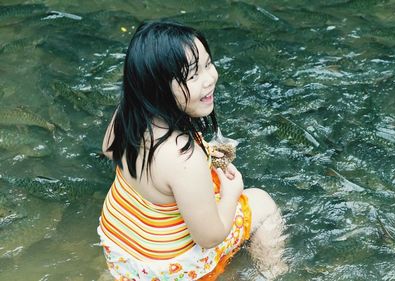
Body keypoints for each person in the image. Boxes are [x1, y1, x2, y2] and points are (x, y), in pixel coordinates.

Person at [97, 19, 287, 280]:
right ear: (159, 88)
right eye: (192, 75)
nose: (209, 79)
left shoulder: (130, 113)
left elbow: (109, 149)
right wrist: (232, 192)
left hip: (122, 253)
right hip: (169, 269)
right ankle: (273, 272)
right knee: (262, 203)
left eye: (208, 64)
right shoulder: (184, 156)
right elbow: (209, 236)